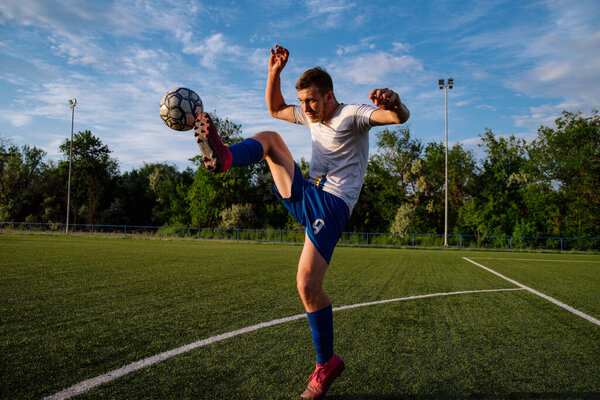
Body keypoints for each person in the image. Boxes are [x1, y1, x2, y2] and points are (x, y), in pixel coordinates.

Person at [192, 45, 409, 399]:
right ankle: (226, 157)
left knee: (306, 286)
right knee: (271, 139)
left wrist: (395, 103)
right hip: (308, 193)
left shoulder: (351, 114)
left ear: (329, 96)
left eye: (311, 101)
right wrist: (274, 72)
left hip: (333, 204)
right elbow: (276, 108)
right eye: (303, 101)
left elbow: (396, 119)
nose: (305, 108)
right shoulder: (311, 114)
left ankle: (327, 363)